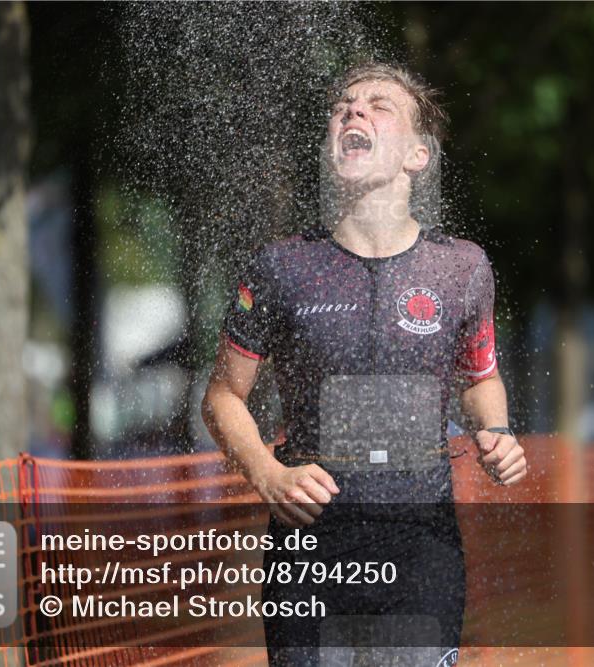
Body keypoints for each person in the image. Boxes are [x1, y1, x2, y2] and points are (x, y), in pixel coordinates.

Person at [202, 62, 527, 667]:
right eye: (345, 105)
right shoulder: (281, 268)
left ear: (417, 155)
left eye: (381, 106)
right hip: (309, 544)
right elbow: (222, 396)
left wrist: (498, 431)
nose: (355, 111)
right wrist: (267, 475)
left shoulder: (461, 268)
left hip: (421, 544)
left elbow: (481, 376)